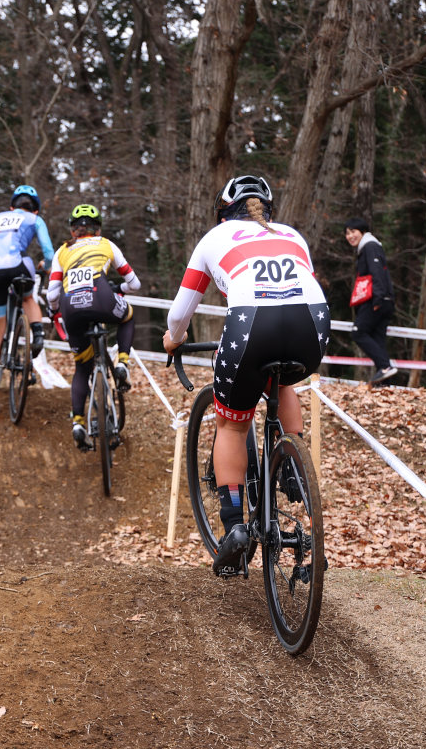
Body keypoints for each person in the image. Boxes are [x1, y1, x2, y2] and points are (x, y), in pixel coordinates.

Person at [162, 175, 329, 576]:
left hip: (252, 323)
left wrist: (173, 339)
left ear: (224, 212)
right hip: (314, 322)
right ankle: (294, 467)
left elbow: (181, 311)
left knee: (232, 426)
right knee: (284, 380)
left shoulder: (213, 239)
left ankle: (235, 526)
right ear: (266, 210)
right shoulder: (292, 234)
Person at [45, 204, 141, 450]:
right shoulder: (106, 244)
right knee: (127, 316)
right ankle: (121, 364)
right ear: (97, 229)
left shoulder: (62, 251)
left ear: (73, 230)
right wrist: (117, 289)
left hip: (71, 307)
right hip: (102, 298)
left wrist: (53, 311)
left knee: (82, 367)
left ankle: (78, 422)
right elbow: (134, 284)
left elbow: (53, 293)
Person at [0, 185, 54, 412]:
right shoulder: (35, 220)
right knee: (27, 299)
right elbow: (48, 251)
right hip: (19, 266)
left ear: (11, 206)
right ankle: (37, 334)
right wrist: (46, 266)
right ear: (34, 210)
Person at [344, 217, 396, 385]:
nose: (350, 236)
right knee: (378, 339)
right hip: (385, 299)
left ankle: (385, 367)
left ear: (363, 232)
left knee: (358, 332)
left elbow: (377, 272)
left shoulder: (369, 246)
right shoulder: (370, 246)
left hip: (377, 299)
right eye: (347, 233)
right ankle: (385, 383)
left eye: (353, 232)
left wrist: (378, 299)